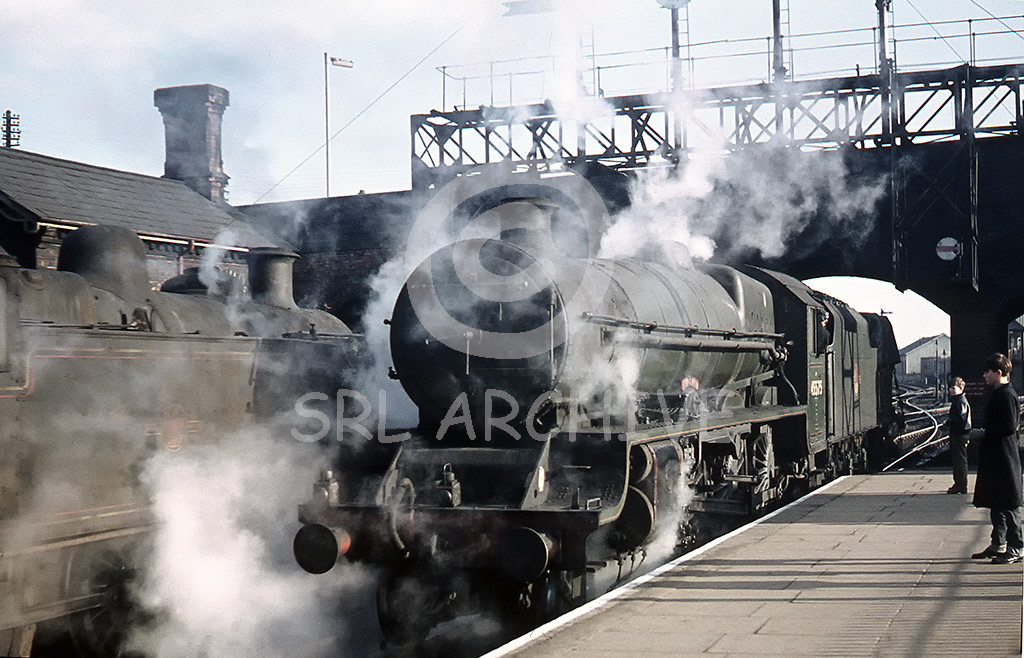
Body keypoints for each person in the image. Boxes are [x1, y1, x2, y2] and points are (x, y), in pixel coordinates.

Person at [970, 353, 1023, 564]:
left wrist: (983, 433)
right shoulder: (999, 393)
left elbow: (1009, 427)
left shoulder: (1006, 395)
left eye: (987, 372)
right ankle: (998, 543)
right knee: (997, 502)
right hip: (997, 457)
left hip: (1004, 457)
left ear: (998, 372)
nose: (984, 375)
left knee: (1008, 504)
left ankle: (1016, 546)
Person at [944, 376, 971, 494]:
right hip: (959, 433)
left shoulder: (960, 401)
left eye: (953, 388)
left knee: (959, 460)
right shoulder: (958, 400)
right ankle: (959, 483)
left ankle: (961, 484)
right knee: (958, 459)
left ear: (961, 388)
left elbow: (961, 418)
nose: (950, 390)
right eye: (950, 388)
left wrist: (949, 422)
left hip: (960, 434)